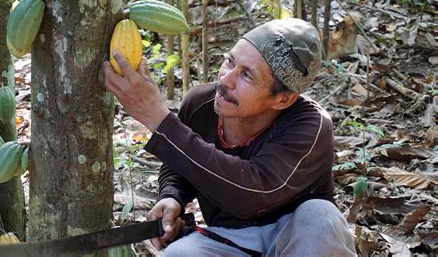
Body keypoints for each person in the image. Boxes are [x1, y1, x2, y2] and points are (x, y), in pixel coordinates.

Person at [103, 18, 357, 256]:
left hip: (297, 238)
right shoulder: (201, 104)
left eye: (246, 75)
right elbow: (180, 165)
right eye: (229, 62)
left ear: (283, 99)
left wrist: (158, 119)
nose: (226, 79)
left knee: (320, 216)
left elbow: (250, 193)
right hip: (229, 240)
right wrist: (172, 197)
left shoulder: (310, 126)